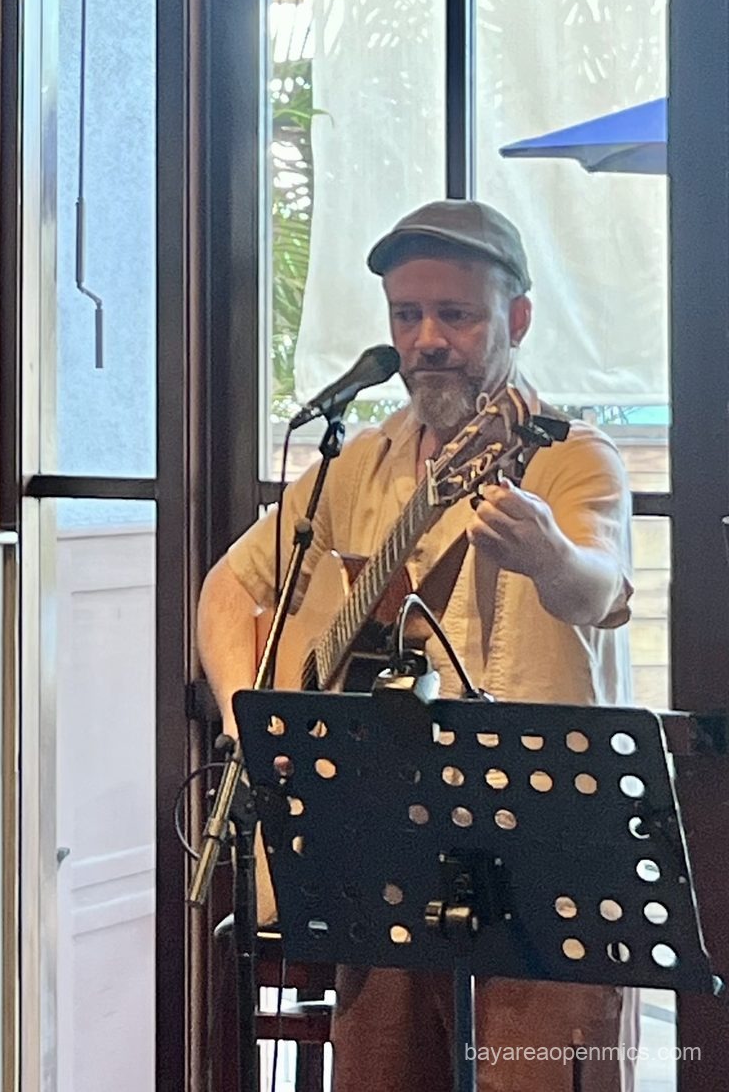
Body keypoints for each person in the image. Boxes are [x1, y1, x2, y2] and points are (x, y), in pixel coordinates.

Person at [195, 199, 637, 1091]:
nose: (427, 340)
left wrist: (550, 555)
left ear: (517, 317)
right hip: (385, 859)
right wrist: (248, 722)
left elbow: (599, 587)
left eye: (456, 314)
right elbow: (231, 586)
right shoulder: (359, 461)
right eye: (407, 315)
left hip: (540, 874)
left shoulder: (569, 458)